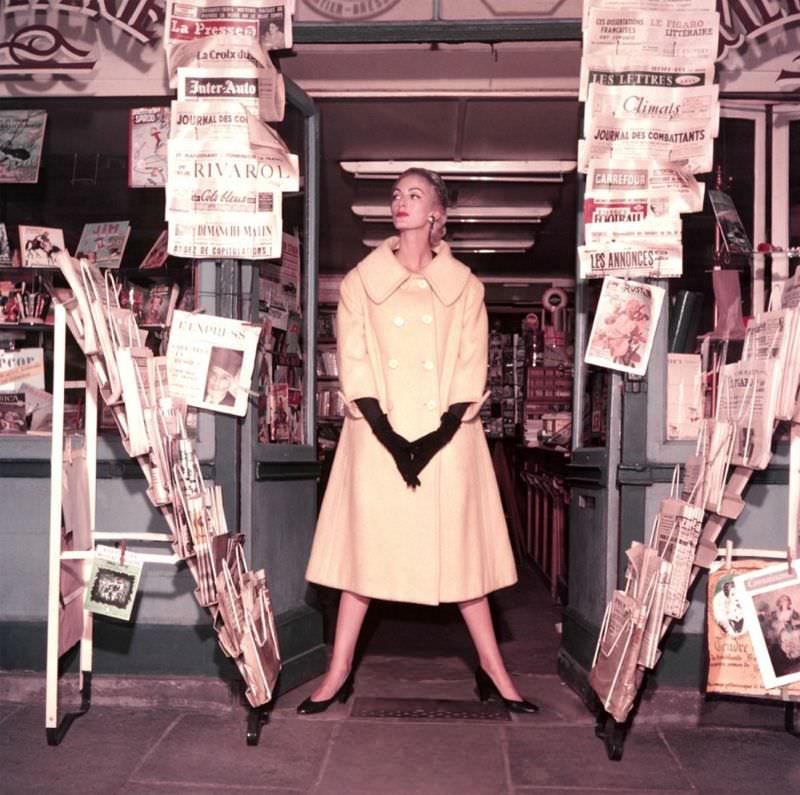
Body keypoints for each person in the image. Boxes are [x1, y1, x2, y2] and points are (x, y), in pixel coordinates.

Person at [299, 167, 537, 715]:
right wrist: (390, 436)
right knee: (363, 561)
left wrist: (430, 443)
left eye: (414, 195)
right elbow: (355, 365)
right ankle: (337, 674)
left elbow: (468, 368)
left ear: (437, 214)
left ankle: (495, 673)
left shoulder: (466, 287)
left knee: (461, 562)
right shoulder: (361, 282)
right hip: (376, 440)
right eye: (395, 195)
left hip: (448, 443)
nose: (400, 203)